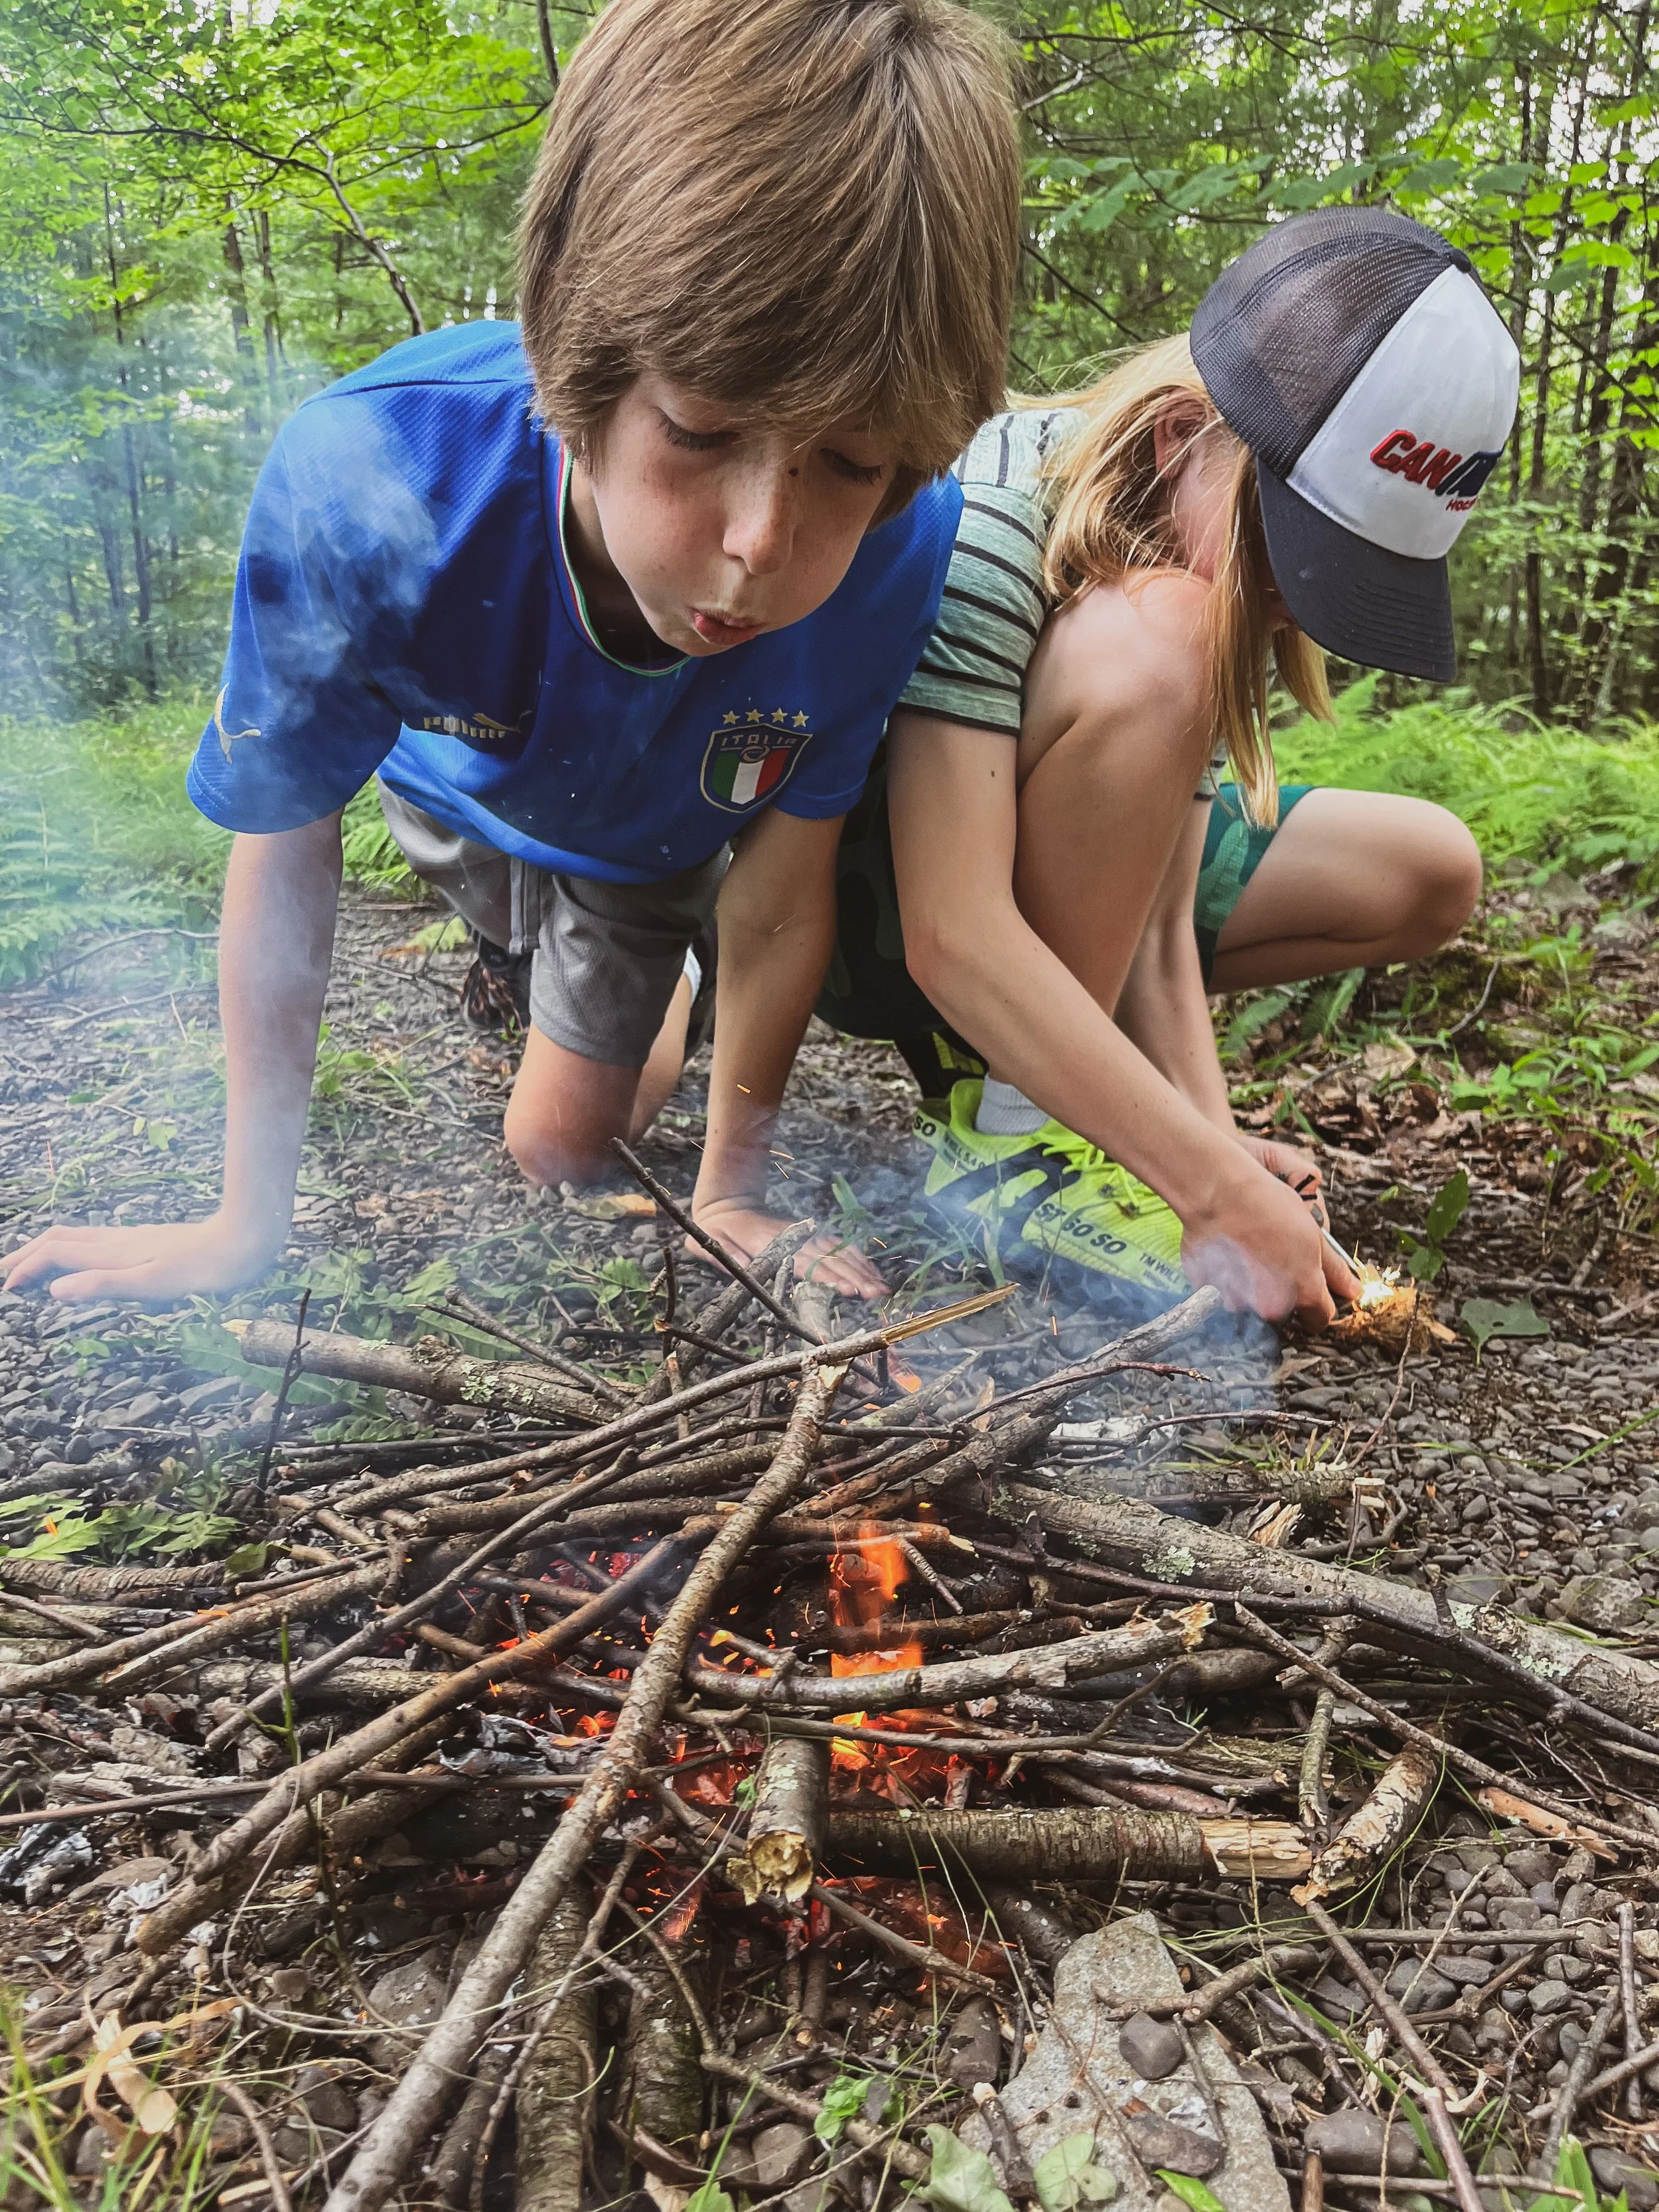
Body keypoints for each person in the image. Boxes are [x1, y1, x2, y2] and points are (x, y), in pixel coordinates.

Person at [2, 0, 1021, 1308]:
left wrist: (731, 1190)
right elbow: (287, 828)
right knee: (511, 933)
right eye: (702, 430)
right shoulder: (379, 470)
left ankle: (651, 994)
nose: (762, 543)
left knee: (554, 1146)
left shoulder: (895, 540)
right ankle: (526, 956)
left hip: (644, 849)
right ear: (574, 351)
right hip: (449, 794)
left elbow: (782, 879)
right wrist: (243, 1219)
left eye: (847, 460)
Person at [816, 207, 1519, 1326]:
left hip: (1028, 902)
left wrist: (1208, 1158)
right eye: (1295, 559)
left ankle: (1068, 1100)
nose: (1297, 604)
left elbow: (1153, 926)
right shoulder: (994, 517)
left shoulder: (1187, 562)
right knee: (1174, 630)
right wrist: (1207, 1188)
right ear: (1177, 438)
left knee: (1430, 863)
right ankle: (1006, 1141)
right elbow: (953, 929)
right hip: (873, 913)